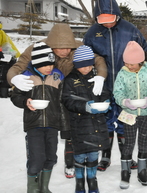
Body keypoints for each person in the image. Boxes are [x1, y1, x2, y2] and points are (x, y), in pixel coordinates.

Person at [7, 23, 108, 179]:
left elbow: (98, 59)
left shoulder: (78, 47)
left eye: (68, 47)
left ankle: (70, 163)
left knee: (71, 126)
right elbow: (18, 65)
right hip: (50, 92)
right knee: (52, 133)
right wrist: (13, 78)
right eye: (60, 48)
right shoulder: (38, 48)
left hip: (71, 91)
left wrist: (101, 76)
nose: (65, 51)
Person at [83, 0, 147, 171]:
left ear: (118, 15)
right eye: (103, 19)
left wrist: (143, 79)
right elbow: (85, 59)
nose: (107, 23)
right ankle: (105, 157)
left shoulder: (131, 31)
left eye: (111, 19)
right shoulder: (92, 34)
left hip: (126, 88)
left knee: (126, 121)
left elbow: (145, 56)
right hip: (102, 87)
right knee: (104, 122)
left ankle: (126, 155)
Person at [10, 42, 68, 193]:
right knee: (36, 158)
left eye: (51, 64)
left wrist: (64, 125)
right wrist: (25, 101)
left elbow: (62, 101)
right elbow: (15, 95)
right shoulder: (26, 76)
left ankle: (44, 187)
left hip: (52, 124)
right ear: (36, 63)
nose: (49, 67)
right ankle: (33, 188)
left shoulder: (57, 76)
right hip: (34, 124)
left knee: (51, 157)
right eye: (45, 64)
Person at [113, 41, 147, 189]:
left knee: (143, 142)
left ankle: (142, 171)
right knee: (128, 143)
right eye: (126, 63)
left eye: (132, 64)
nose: (129, 66)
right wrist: (124, 102)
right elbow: (117, 92)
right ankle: (125, 172)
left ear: (140, 61)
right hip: (129, 114)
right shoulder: (122, 73)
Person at [62, 45, 111, 193]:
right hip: (79, 124)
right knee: (80, 154)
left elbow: (104, 93)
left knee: (93, 153)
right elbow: (67, 100)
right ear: (77, 65)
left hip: (96, 122)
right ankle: (79, 182)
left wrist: (106, 102)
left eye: (90, 65)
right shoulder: (70, 80)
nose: (87, 68)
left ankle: (92, 180)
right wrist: (85, 106)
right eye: (84, 66)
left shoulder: (96, 77)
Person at [0, 22, 20, 98]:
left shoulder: (1, 33)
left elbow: (6, 46)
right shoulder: (1, 32)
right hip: (8, 55)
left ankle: (4, 92)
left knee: (5, 73)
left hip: (9, 55)